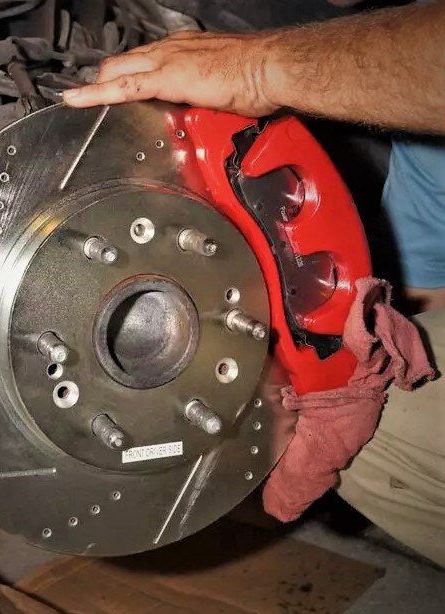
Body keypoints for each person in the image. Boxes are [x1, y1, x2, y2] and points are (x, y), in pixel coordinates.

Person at [63, 1, 445, 567]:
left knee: (377, 422)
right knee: (354, 392)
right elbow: (427, 292)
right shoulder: (426, 154)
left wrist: (257, 70)